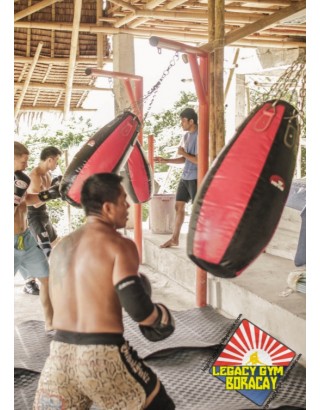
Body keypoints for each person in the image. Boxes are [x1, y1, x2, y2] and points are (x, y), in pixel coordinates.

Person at [33, 173, 175, 410]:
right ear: (108, 208)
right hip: (101, 356)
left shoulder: (61, 248)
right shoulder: (119, 245)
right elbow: (140, 311)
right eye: (123, 200)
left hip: (59, 356)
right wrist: (161, 316)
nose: (128, 206)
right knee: (159, 405)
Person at [14, 141, 61, 332]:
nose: (27, 164)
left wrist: (49, 194)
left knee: (46, 278)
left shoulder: (21, 179)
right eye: (23, 161)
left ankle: (50, 322)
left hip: (26, 238)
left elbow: (30, 200)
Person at [154, 107, 198, 248]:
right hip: (185, 176)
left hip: (196, 177)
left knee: (198, 211)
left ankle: (200, 243)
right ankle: (174, 239)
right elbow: (184, 159)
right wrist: (166, 160)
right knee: (178, 206)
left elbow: (198, 160)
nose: (181, 124)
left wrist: (184, 154)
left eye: (183, 121)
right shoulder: (186, 136)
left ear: (191, 121)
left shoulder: (201, 135)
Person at [23, 146, 62, 295]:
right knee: (45, 249)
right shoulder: (34, 176)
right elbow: (35, 201)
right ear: (50, 159)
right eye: (56, 161)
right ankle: (29, 282)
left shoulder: (48, 175)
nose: (57, 164)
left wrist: (57, 187)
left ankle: (33, 278)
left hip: (43, 214)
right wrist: (54, 192)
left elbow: (46, 196)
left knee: (54, 242)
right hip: (33, 215)